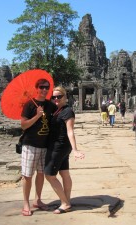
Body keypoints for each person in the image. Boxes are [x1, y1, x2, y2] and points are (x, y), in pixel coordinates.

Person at [44, 86, 85, 214]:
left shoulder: (67, 111)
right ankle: (67, 200)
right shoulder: (57, 110)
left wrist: (76, 149)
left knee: (49, 175)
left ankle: (65, 203)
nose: (56, 99)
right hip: (60, 146)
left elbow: (70, 131)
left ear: (65, 97)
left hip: (59, 147)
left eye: (59, 96)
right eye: (54, 97)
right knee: (64, 173)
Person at [20, 79, 57, 216]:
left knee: (41, 174)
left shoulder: (50, 105)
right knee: (27, 175)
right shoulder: (29, 105)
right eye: (41, 87)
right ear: (37, 88)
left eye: (47, 87)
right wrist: (37, 115)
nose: (44, 90)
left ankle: (38, 200)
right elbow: (23, 125)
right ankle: (25, 203)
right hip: (30, 145)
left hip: (45, 146)